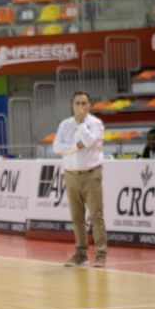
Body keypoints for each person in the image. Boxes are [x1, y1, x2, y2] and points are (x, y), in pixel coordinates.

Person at [53, 91, 107, 268]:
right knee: (77, 218)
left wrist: (82, 124)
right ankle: (81, 253)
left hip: (91, 174)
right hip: (70, 175)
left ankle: (100, 254)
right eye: (77, 103)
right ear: (72, 105)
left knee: (96, 216)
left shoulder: (96, 124)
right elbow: (57, 148)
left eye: (84, 103)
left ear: (90, 104)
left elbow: (90, 142)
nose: (81, 107)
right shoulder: (65, 124)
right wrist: (76, 147)